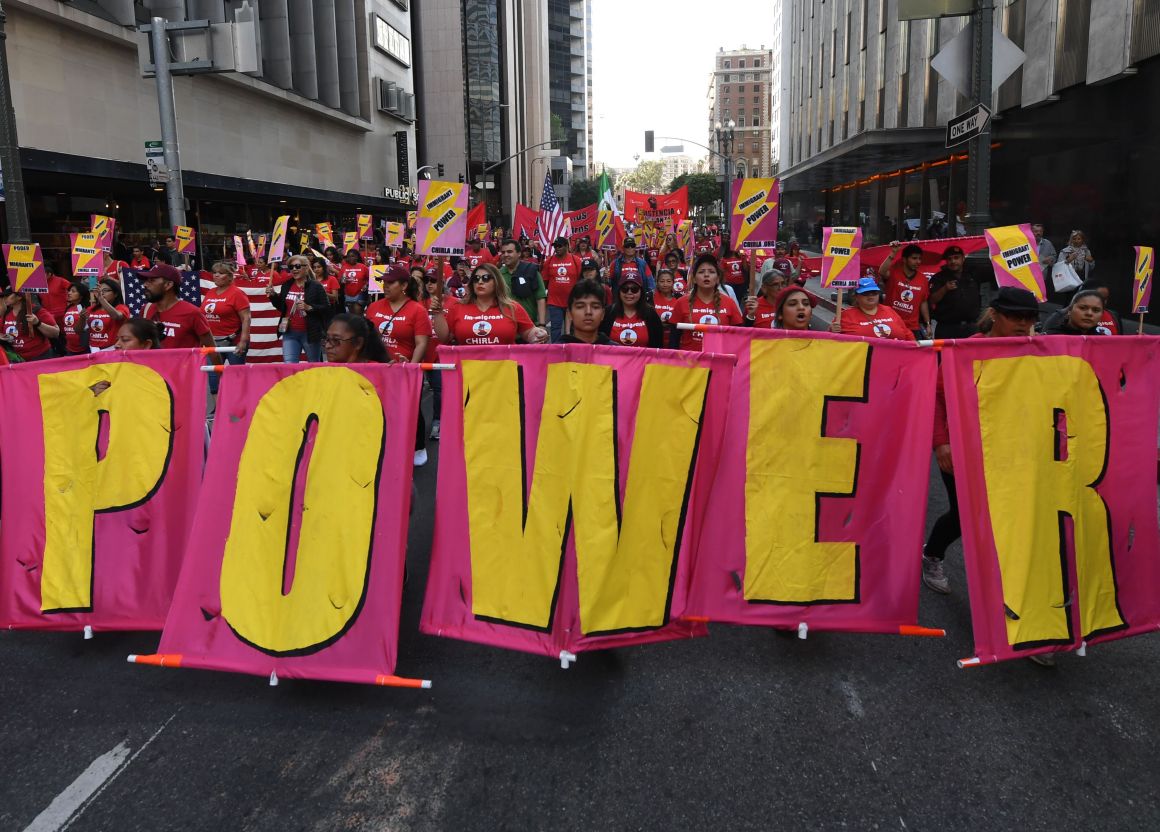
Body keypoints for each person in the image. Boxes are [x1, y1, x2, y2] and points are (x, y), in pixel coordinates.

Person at [923, 287, 1039, 597]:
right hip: (962, 448)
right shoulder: (963, 350)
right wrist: (941, 443)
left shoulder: (1035, 351)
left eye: (1029, 317)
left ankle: (1001, 586)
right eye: (1015, 316)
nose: (1022, 323)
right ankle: (932, 555)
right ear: (994, 315)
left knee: (1007, 516)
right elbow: (936, 397)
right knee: (963, 515)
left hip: (1010, 450)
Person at [431, 263, 549, 346]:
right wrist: (437, 314)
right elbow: (445, 338)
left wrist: (538, 334)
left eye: (486, 278)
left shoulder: (512, 307)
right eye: (476, 279)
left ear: (496, 282)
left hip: (503, 372)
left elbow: (529, 332)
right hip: (469, 373)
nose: (480, 282)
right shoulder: (458, 307)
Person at [673, 254, 744, 351]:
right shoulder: (681, 303)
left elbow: (739, 337)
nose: (706, 275)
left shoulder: (729, 303)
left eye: (711, 272)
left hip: (720, 362)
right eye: (701, 272)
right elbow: (674, 340)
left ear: (718, 278)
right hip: (689, 363)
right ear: (694, 278)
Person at [138, 264, 215, 352]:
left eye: (151, 280)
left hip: (184, 365)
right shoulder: (146, 309)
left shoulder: (192, 313)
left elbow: (211, 349)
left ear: (168, 285)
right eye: (146, 281)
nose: (145, 285)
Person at [365, 265, 432, 364]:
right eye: (384, 281)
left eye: (391, 282)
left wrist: (410, 367)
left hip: (402, 372)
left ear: (404, 285)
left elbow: (421, 344)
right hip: (375, 370)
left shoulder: (418, 310)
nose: (385, 285)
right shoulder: (373, 307)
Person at [270, 255, 330, 362]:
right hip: (289, 332)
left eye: (297, 266)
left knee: (313, 366)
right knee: (289, 365)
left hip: (310, 333)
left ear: (306, 268)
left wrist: (309, 307)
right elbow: (281, 307)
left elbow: (326, 308)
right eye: (291, 267)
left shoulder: (315, 286)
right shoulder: (287, 285)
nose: (294, 269)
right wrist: (273, 295)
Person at [832, 277, 916, 341]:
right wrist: (832, 331)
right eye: (866, 293)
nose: (871, 295)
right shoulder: (845, 315)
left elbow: (907, 334)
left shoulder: (889, 310)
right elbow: (831, 342)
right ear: (856, 296)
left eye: (874, 292)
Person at [927, 245, 981, 339]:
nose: (953, 261)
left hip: (970, 327)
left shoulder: (973, 274)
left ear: (963, 258)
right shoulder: (939, 277)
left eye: (956, 258)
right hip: (947, 328)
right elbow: (932, 300)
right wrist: (945, 289)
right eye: (949, 259)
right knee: (945, 354)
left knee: (972, 353)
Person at [878, 242, 930, 337]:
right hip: (891, 323)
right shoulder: (894, 272)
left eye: (919, 259)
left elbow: (923, 302)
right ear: (904, 260)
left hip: (912, 328)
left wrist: (928, 324)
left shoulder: (923, 279)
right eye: (914, 258)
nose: (918, 261)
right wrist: (893, 252)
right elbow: (881, 271)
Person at [202, 261, 251, 360]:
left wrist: (243, 341)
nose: (216, 275)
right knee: (213, 374)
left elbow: (246, 318)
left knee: (235, 374)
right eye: (215, 273)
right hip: (212, 342)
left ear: (229, 276)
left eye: (220, 273)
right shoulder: (210, 292)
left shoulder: (237, 293)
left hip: (233, 341)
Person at [600, 274, 664, 348]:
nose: (629, 292)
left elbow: (658, 347)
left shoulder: (651, 314)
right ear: (619, 291)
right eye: (625, 289)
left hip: (644, 359)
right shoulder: (608, 312)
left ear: (641, 292)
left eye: (634, 289)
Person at [541, 236, 584, 342]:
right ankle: (556, 350)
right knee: (555, 328)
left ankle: (572, 349)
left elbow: (581, 280)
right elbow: (544, 281)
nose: (557, 248)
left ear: (566, 246)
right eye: (555, 246)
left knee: (572, 329)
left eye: (559, 246)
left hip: (572, 302)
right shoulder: (549, 261)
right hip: (554, 302)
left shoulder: (576, 261)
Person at [496, 238, 547, 328]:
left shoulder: (531, 271)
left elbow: (540, 298)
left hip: (529, 325)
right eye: (503, 252)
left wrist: (542, 324)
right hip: (505, 325)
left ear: (519, 254)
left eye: (509, 252)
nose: (506, 255)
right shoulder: (498, 275)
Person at [0, 290, 59, 361]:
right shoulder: (6, 313)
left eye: (7, 296)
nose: (4, 298)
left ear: (19, 297)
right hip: (17, 359)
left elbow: (56, 333)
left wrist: (38, 323)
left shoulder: (36, 310)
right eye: (3, 296)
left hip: (39, 357)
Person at [322, 313, 389, 364]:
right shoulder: (322, 370)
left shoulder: (379, 372)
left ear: (358, 343)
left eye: (336, 340)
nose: (327, 346)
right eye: (327, 339)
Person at [561, 279, 611, 345]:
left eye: (595, 307)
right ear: (569, 314)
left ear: (603, 314)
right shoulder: (556, 352)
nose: (588, 312)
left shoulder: (616, 352)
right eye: (580, 307)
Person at [87, 278, 130, 350]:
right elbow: (79, 330)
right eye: (100, 290)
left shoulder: (121, 307)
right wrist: (81, 319)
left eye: (105, 290)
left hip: (113, 349)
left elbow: (117, 316)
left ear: (115, 294)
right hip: (93, 350)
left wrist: (101, 299)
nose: (102, 293)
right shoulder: (91, 309)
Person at [1042, 289, 1107, 335]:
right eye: (1083, 308)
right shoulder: (1049, 339)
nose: (1089, 313)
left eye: (1096, 310)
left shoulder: (1104, 344)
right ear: (1069, 310)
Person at [61, 282, 90, 355]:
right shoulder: (69, 308)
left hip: (84, 348)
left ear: (81, 295)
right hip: (70, 348)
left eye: (73, 291)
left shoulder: (86, 308)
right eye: (69, 291)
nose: (69, 293)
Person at [338, 248, 370, 314]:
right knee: (352, 314)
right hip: (348, 294)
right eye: (349, 256)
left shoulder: (363, 267)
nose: (350, 258)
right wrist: (343, 280)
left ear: (357, 257)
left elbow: (370, 279)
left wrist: (366, 285)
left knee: (357, 311)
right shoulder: (344, 267)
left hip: (360, 293)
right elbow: (340, 280)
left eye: (353, 256)